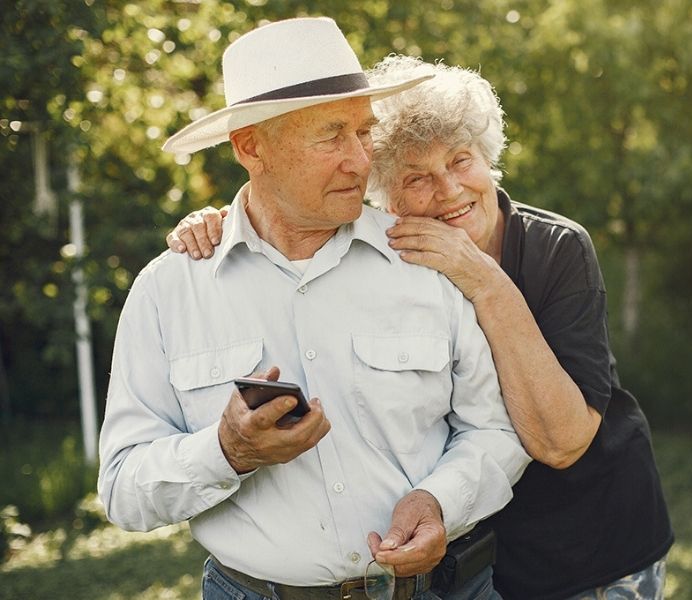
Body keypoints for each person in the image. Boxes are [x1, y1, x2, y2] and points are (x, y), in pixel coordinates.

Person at [168, 56, 674, 599]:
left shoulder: (556, 248)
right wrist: (226, 222)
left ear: (488, 157)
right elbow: (288, 214)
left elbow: (563, 443)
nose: (449, 189)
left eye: (461, 161)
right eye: (416, 177)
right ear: (381, 195)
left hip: (590, 546)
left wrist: (484, 280)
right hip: (473, 560)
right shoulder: (391, 256)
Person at [98, 18, 529, 600]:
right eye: (331, 136)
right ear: (251, 146)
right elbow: (123, 488)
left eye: (364, 133)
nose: (360, 160)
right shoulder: (167, 292)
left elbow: (496, 428)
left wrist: (440, 502)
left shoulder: (427, 259)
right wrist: (226, 452)